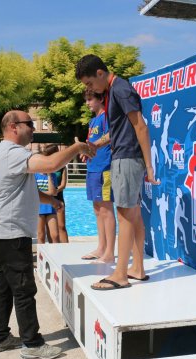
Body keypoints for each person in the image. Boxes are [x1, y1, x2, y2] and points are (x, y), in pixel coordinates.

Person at [0, 110, 94, 359]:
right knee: (24, 289)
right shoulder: (13, 153)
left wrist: (52, 201)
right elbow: (52, 164)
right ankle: (32, 344)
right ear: (14, 127)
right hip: (10, 235)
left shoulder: (4, 152)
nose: (33, 128)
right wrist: (77, 147)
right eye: (29, 124)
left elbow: (24, 190)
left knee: (4, 287)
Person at [75, 54, 158, 290]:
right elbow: (119, 128)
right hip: (124, 155)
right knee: (134, 215)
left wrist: (149, 166)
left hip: (128, 157)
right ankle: (137, 268)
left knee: (124, 213)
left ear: (100, 73)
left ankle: (120, 273)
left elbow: (140, 125)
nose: (90, 89)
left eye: (90, 83)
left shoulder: (121, 89)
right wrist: (97, 144)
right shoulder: (113, 92)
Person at [80, 89, 116, 264]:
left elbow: (111, 135)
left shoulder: (106, 117)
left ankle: (109, 252)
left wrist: (96, 145)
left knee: (106, 209)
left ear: (101, 99)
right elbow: (92, 144)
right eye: (86, 100)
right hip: (93, 167)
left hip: (105, 168)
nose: (87, 103)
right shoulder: (92, 121)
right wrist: (86, 152)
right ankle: (101, 247)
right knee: (97, 208)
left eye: (90, 99)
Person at [35, 148, 60, 244]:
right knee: (41, 235)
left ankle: (56, 257)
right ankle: (40, 258)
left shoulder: (52, 175)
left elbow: (53, 192)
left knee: (55, 235)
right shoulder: (35, 175)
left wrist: (49, 173)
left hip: (50, 208)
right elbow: (35, 193)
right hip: (39, 209)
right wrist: (46, 193)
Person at [45, 145, 70, 243]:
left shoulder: (62, 167)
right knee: (50, 229)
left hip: (59, 198)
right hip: (47, 200)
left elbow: (63, 185)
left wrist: (54, 191)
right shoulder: (46, 166)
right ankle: (52, 249)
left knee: (61, 226)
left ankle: (66, 249)